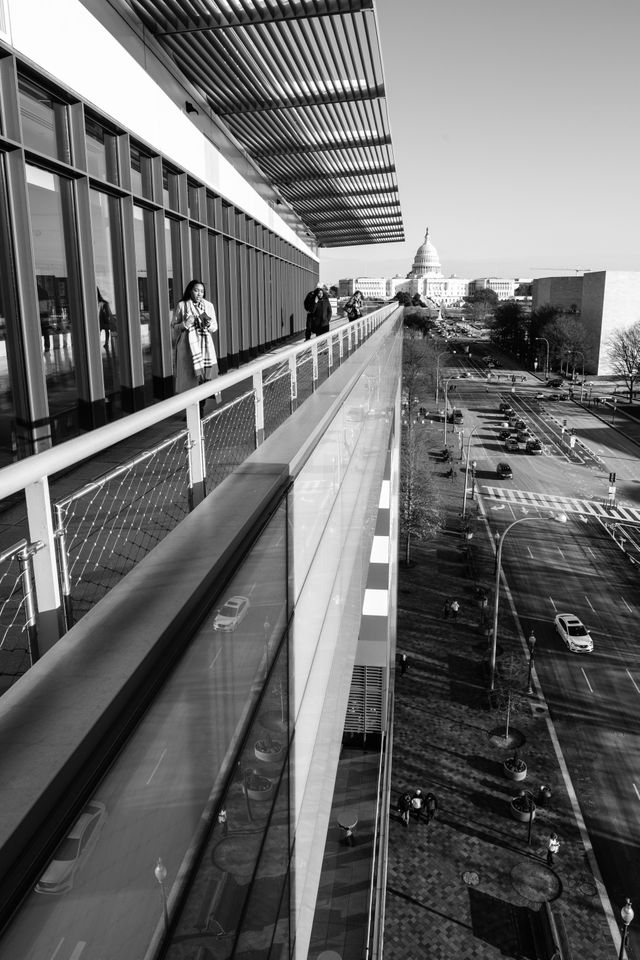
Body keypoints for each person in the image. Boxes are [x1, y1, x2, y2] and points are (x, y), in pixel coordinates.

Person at [172, 279, 219, 415]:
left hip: (205, 349)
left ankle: (200, 409)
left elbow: (215, 327)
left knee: (204, 380)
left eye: (202, 291)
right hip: (187, 349)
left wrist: (208, 325)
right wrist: (185, 324)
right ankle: (192, 412)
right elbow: (174, 327)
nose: (199, 293)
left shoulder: (209, 306)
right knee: (190, 381)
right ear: (190, 291)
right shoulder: (182, 306)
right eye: (196, 290)